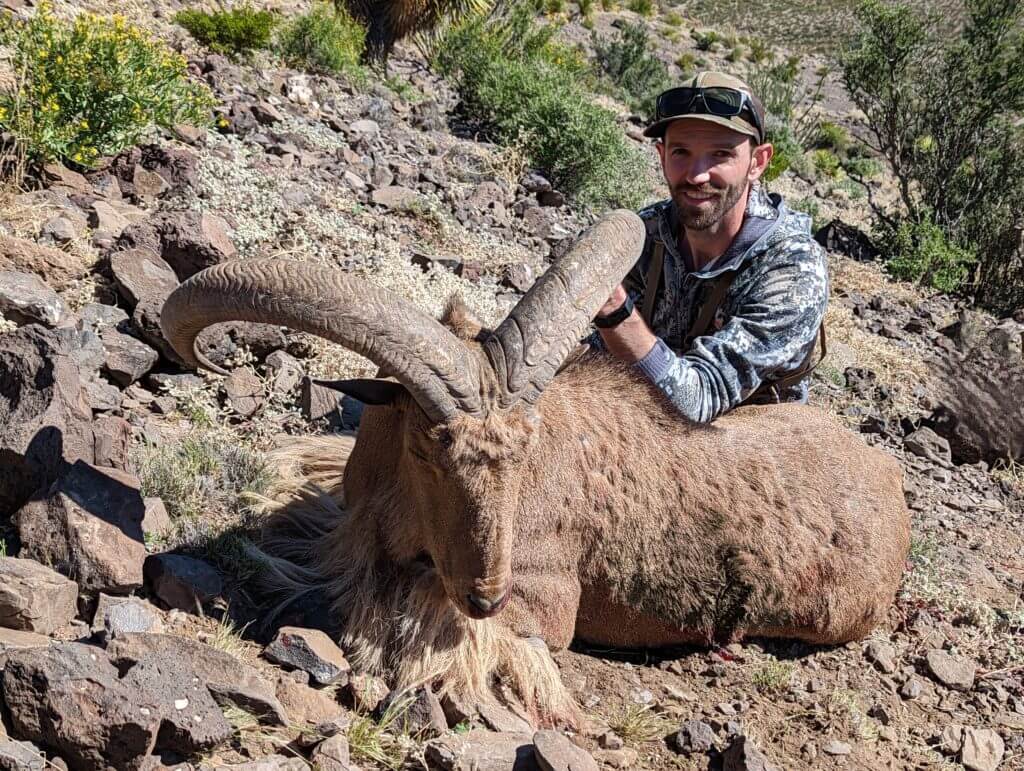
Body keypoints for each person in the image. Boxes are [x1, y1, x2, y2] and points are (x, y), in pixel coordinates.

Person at [592, 71, 829, 423]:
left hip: (745, 456)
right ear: (661, 155)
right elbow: (599, 354)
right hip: (645, 421)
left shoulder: (792, 268)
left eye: (720, 154)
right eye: (681, 152)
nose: (697, 175)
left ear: (758, 162)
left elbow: (701, 398)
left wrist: (614, 313)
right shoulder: (647, 233)